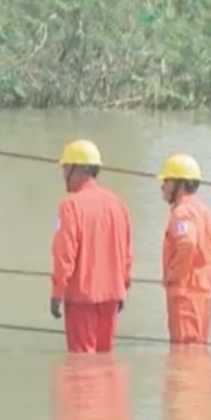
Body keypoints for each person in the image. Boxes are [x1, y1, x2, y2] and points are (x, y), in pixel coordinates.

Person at [49, 139, 132, 354]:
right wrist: (123, 287)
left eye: (65, 168)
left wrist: (57, 292)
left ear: (76, 170)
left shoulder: (70, 206)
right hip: (112, 296)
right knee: (104, 358)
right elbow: (127, 254)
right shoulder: (119, 204)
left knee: (82, 363)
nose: (63, 174)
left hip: (81, 298)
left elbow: (64, 254)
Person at [159, 154, 211, 346]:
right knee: (197, 349)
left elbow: (187, 243)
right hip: (203, 292)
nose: (162, 186)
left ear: (180, 184)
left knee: (184, 353)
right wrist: (205, 266)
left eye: (167, 180)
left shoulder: (182, 213)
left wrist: (175, 275)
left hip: (185, 295)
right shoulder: (205, 211)